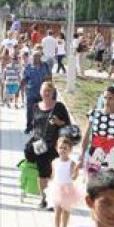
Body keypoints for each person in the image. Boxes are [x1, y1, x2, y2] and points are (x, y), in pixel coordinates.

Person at [25, 81, 70, 210]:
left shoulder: (59, 106)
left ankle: (53, 200)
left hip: (55, 145)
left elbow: (67, 124)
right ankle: (43, 199)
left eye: (49, 91)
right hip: (39, 145)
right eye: (44, 91)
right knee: (42, 173)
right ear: (40, 92)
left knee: (53, 174)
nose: (47, 93)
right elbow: (33, 125)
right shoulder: (35, 106)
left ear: (53, 92)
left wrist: (59, 122)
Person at [80, 86, 114, 179]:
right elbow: (86, 136)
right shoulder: (94, 113)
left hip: (113, 155)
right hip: (94, 154)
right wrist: (82, 154)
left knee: (110, 183)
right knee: (92, 182)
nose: (107, 101)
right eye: (105, 98)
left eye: (110, 98)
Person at [45, 137, 81, 227]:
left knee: (66, 210)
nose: (63, 150)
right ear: (57, 148)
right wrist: (50, 182)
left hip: (67, 189)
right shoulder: (55, 162)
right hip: (57, 188)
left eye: (65, 148)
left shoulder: (71, 163)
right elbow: (53, 175)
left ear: (70, 150)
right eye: (61, 147)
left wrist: (76, 171)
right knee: (57, 209)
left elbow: (73, 177)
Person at [21, 51, 52, 134]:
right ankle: (29, 127)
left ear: (40, 58)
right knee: (30, 110)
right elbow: (24, 79)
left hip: (42, 93)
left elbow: (49, 78)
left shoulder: (45, 66)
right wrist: (20, 89)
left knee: (42, 110)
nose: (34, 59)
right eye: (33, 57)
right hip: (31, 92)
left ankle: (39, 128)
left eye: (36, 57)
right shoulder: (28, 67)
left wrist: (50, 89)